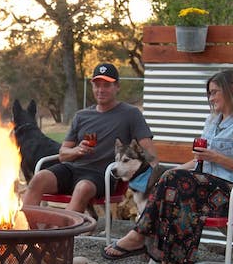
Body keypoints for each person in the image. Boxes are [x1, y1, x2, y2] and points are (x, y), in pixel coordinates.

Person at [102, 69, 233, 264]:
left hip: (232, 193)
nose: (211, 98)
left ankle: (140, 237)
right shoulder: (212, 122)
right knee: (174, 184)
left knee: (180, 187)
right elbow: (198, 161)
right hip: (202, 190)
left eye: (215, 92)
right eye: (209, 94)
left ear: (232, 89)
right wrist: (173, 172)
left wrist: (217, 157)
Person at [23, 63, 157, 214]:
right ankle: (29, 233)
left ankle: (59, 235)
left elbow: (148, 150)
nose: (100, 90)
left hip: (101, 176)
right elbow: (63, 154)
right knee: (38, 178)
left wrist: (156, 180)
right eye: (97, 85)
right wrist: (77, 150)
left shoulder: (131, 114)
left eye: (106, 85)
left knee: (83, 187)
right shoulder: (81, 116)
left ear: (117, 87)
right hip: (72, 169)